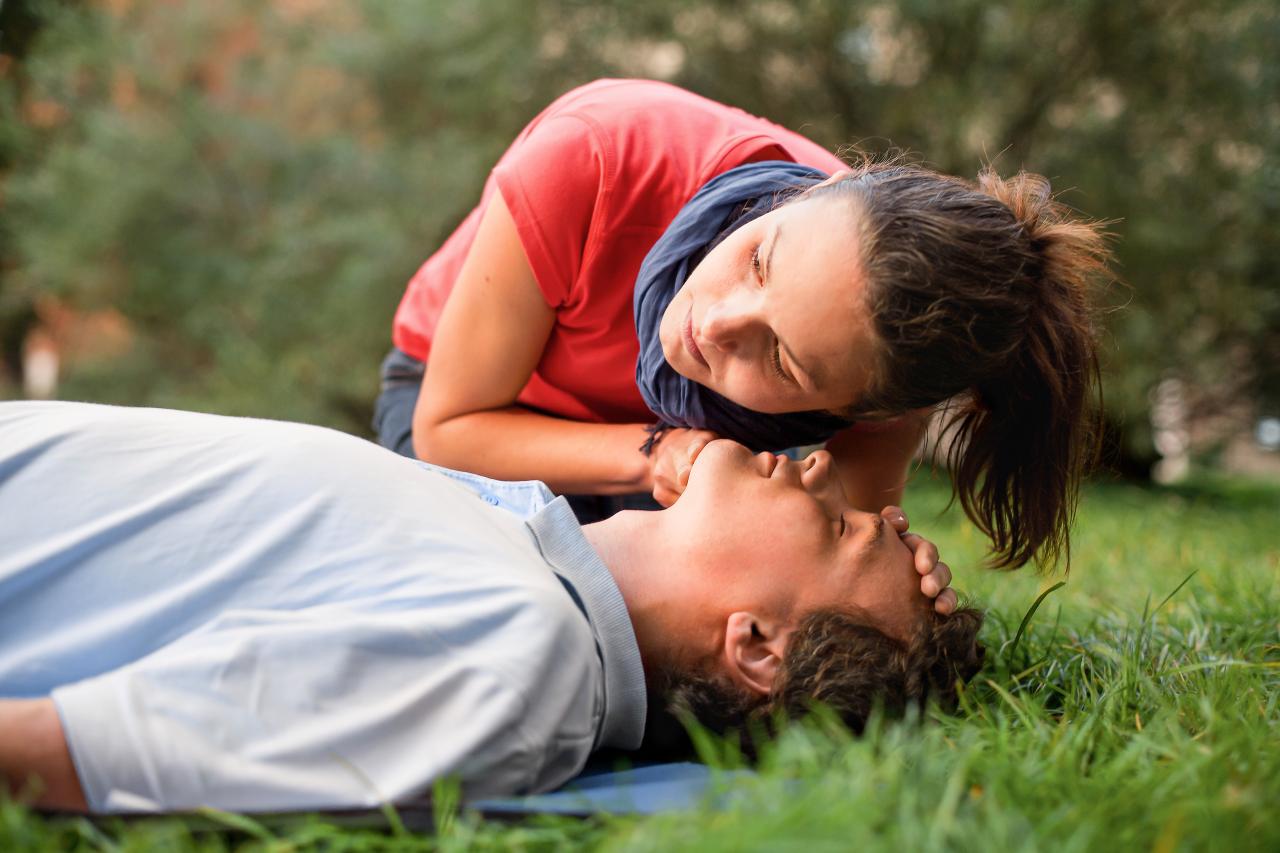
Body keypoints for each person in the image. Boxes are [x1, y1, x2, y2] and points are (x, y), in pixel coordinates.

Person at [0, 402, 981, 814]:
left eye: (835, 529)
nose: (820, 470)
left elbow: (71, 753)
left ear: (756, 647)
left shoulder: (511, 655)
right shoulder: (521, 564)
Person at [377, 78, 1110, 569]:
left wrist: (878, 567)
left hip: (685, 469)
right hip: (470, 412)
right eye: (761, 261)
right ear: (826, 187)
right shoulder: (593, 156)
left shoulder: (889, 356)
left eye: (784, 362)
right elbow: (451, 427)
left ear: (866, 410)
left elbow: (818, 556)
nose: (714, 322)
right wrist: (657, 454)